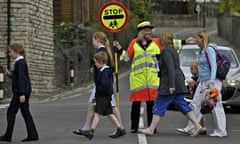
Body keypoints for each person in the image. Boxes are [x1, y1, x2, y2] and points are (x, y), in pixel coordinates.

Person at [138, 30, 204, 137]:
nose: (158, 40)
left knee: (158, 104)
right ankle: (197, 126)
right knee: (182, 105)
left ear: (163, 39)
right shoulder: (172, 50)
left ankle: (151, 129)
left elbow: (170, 69)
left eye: (160, 38)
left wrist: (171, 85)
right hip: (177, 80)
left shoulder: (166, 51)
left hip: (169, 82)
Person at [73, 31, 125, 138]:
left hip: (103, 85)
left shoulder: (102, 51)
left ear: (96, 39)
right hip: (104, 84)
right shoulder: (104, 50)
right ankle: (118, 127)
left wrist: (96, 72)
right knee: (106, 107)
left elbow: (105, 67)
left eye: (93, 39)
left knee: (105, 107)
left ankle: (118, 128)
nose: (92, 42)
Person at [113, 21, 163, 133]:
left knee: (152, 104)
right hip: (138, 79)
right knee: (136, 103)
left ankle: (152, 127)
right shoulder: (134, 43)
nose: (149, 32)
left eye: (150, 30)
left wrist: (185, 42)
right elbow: (127, 57)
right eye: (146, 30)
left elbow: (171, 43)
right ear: (140, 32)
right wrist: (120, 49)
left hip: (152, 78)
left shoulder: (156, 42)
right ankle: (134, 127)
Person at [176, 30, 227, 137]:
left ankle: (221, 131)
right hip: (203, 82)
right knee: (195, 104)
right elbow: (203, 68)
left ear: (202, 39)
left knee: (216, 106)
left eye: (196, 38)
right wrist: (197, 80)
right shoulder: (202, 50)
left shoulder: (209, 50)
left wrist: (212, 82)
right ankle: (190, 128)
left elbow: (214, 66)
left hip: (212, 82)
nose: (195, 40)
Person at [81, 52, 125, 140]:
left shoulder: (104, 72)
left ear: (101, 62)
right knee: (109, 114)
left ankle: (91, 132)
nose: (95, 64)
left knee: (97, 113)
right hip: (104, 96)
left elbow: (104, 86)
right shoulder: (104, 71)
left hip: (103, 96)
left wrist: (98, 95)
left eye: (96, 62)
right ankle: (120, 128)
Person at [0, 43, 39, 142]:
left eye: (10, 52)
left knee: (11, 113)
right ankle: (33, 134)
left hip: (20, 92)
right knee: (26, 113)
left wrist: (21, 94)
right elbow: (17, 77)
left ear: (16, 52)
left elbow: (21, 79)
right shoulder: (20, 62)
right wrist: (8, 73)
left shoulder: (19, 63)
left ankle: (8, 136)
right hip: (24, 91)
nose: (9, 54)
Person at [184, 61, 207, 133]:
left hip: (198, 97)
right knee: (200, 113)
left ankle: (202, 127)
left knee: (199, 113)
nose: (191, 71)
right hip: (195, 96)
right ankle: (202, 127)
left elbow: (189, 80)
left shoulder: (197, 77)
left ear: (197, 70)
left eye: (192, 69)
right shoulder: (196, 77)